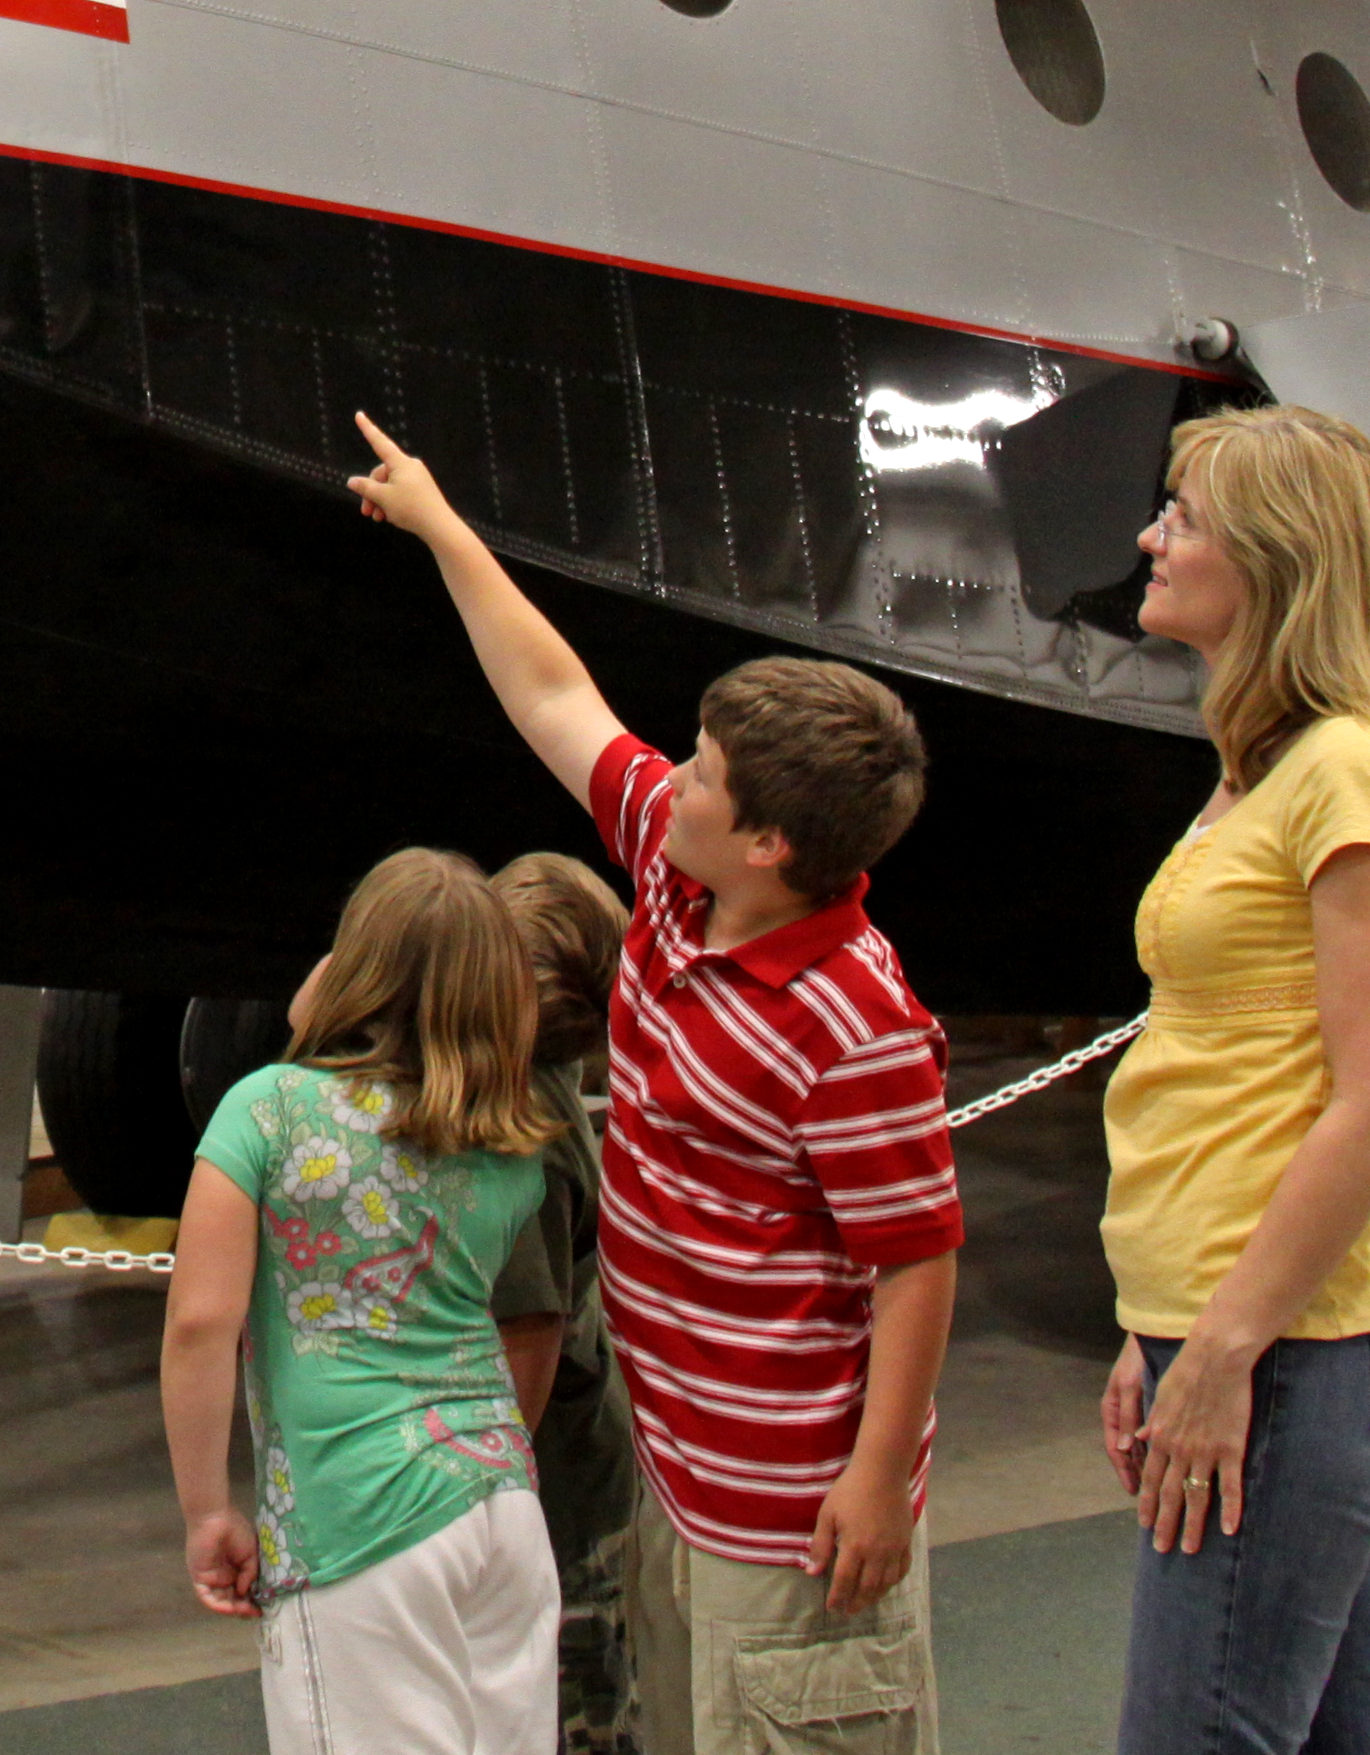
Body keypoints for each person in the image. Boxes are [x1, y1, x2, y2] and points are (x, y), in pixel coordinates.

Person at [352, 416, 958, 1755]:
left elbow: (915, 1263)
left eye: (704, 776)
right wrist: (443, 523)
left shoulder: (854, 1020)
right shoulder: (682, 880)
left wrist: (874, 1483)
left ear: (775, 843)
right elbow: (555, 696)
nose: (668, 780)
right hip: (680, 1492)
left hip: (794, 1525)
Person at [1097, 405, 1370, 1755]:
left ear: (1277, 558)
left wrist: (1222, 1347)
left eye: (1182, 517)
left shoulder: (1357, 772)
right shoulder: (1266, 771)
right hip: (1244, 1333)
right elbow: (1231, 1070)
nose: (1151, 537)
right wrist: (1161, 1330)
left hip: (1301, 1352)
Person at [167, 848, 568, 1755]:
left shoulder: (264, 1111)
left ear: (353, 966)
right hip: (501, 1502)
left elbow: (200, 1321)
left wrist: (207, 1512)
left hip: (357, 1517)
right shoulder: (506, 1142)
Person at [489, 853, 636, 1755]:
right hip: (566, 1478)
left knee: (579, 1720)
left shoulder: (524, 1149)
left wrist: (479, 1504)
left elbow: (531, 1341)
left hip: (558, 1495)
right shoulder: (532, 1090)